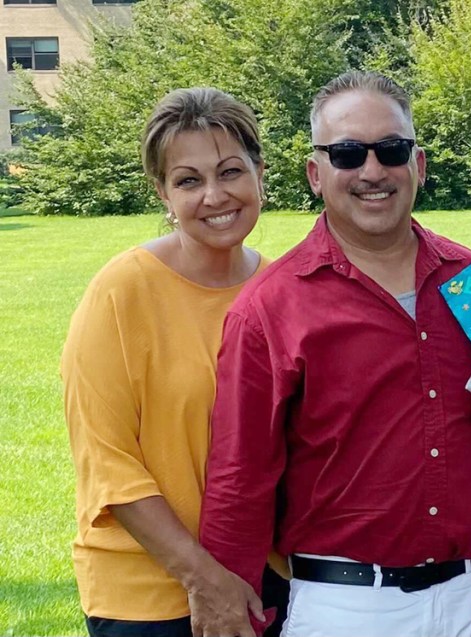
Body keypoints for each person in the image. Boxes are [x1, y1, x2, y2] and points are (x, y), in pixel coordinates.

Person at [198, 71, 471, 637]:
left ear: (420, 165)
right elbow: (241, 475)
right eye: (346, 153)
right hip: (350, 608)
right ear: (316, 173)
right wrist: (223, 596)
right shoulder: (270, 309)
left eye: (391, 150)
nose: (371, 171)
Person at [61, 87, 285, 637]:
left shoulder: (279, 289)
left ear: (259, 173)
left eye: (230, 171)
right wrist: (205, 580)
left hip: (267, 582)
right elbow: (108, 463)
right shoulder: (122, 292)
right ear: (163, 192)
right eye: (188, 180)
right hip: (149, 599)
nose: (215, 195)